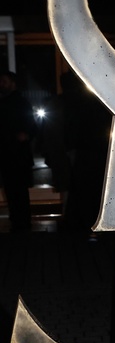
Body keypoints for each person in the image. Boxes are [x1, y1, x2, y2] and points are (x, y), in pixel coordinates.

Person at [0, 71, 36, 231]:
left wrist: (26, 135)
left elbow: (31, 126)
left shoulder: (16, 102)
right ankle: (20, 221)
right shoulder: (18, 102)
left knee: (16, 190)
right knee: (16, 190)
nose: (1, 84)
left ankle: (20, 221)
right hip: (13, 153)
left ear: (12, 83)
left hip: (14, 154)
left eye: (4, 81)